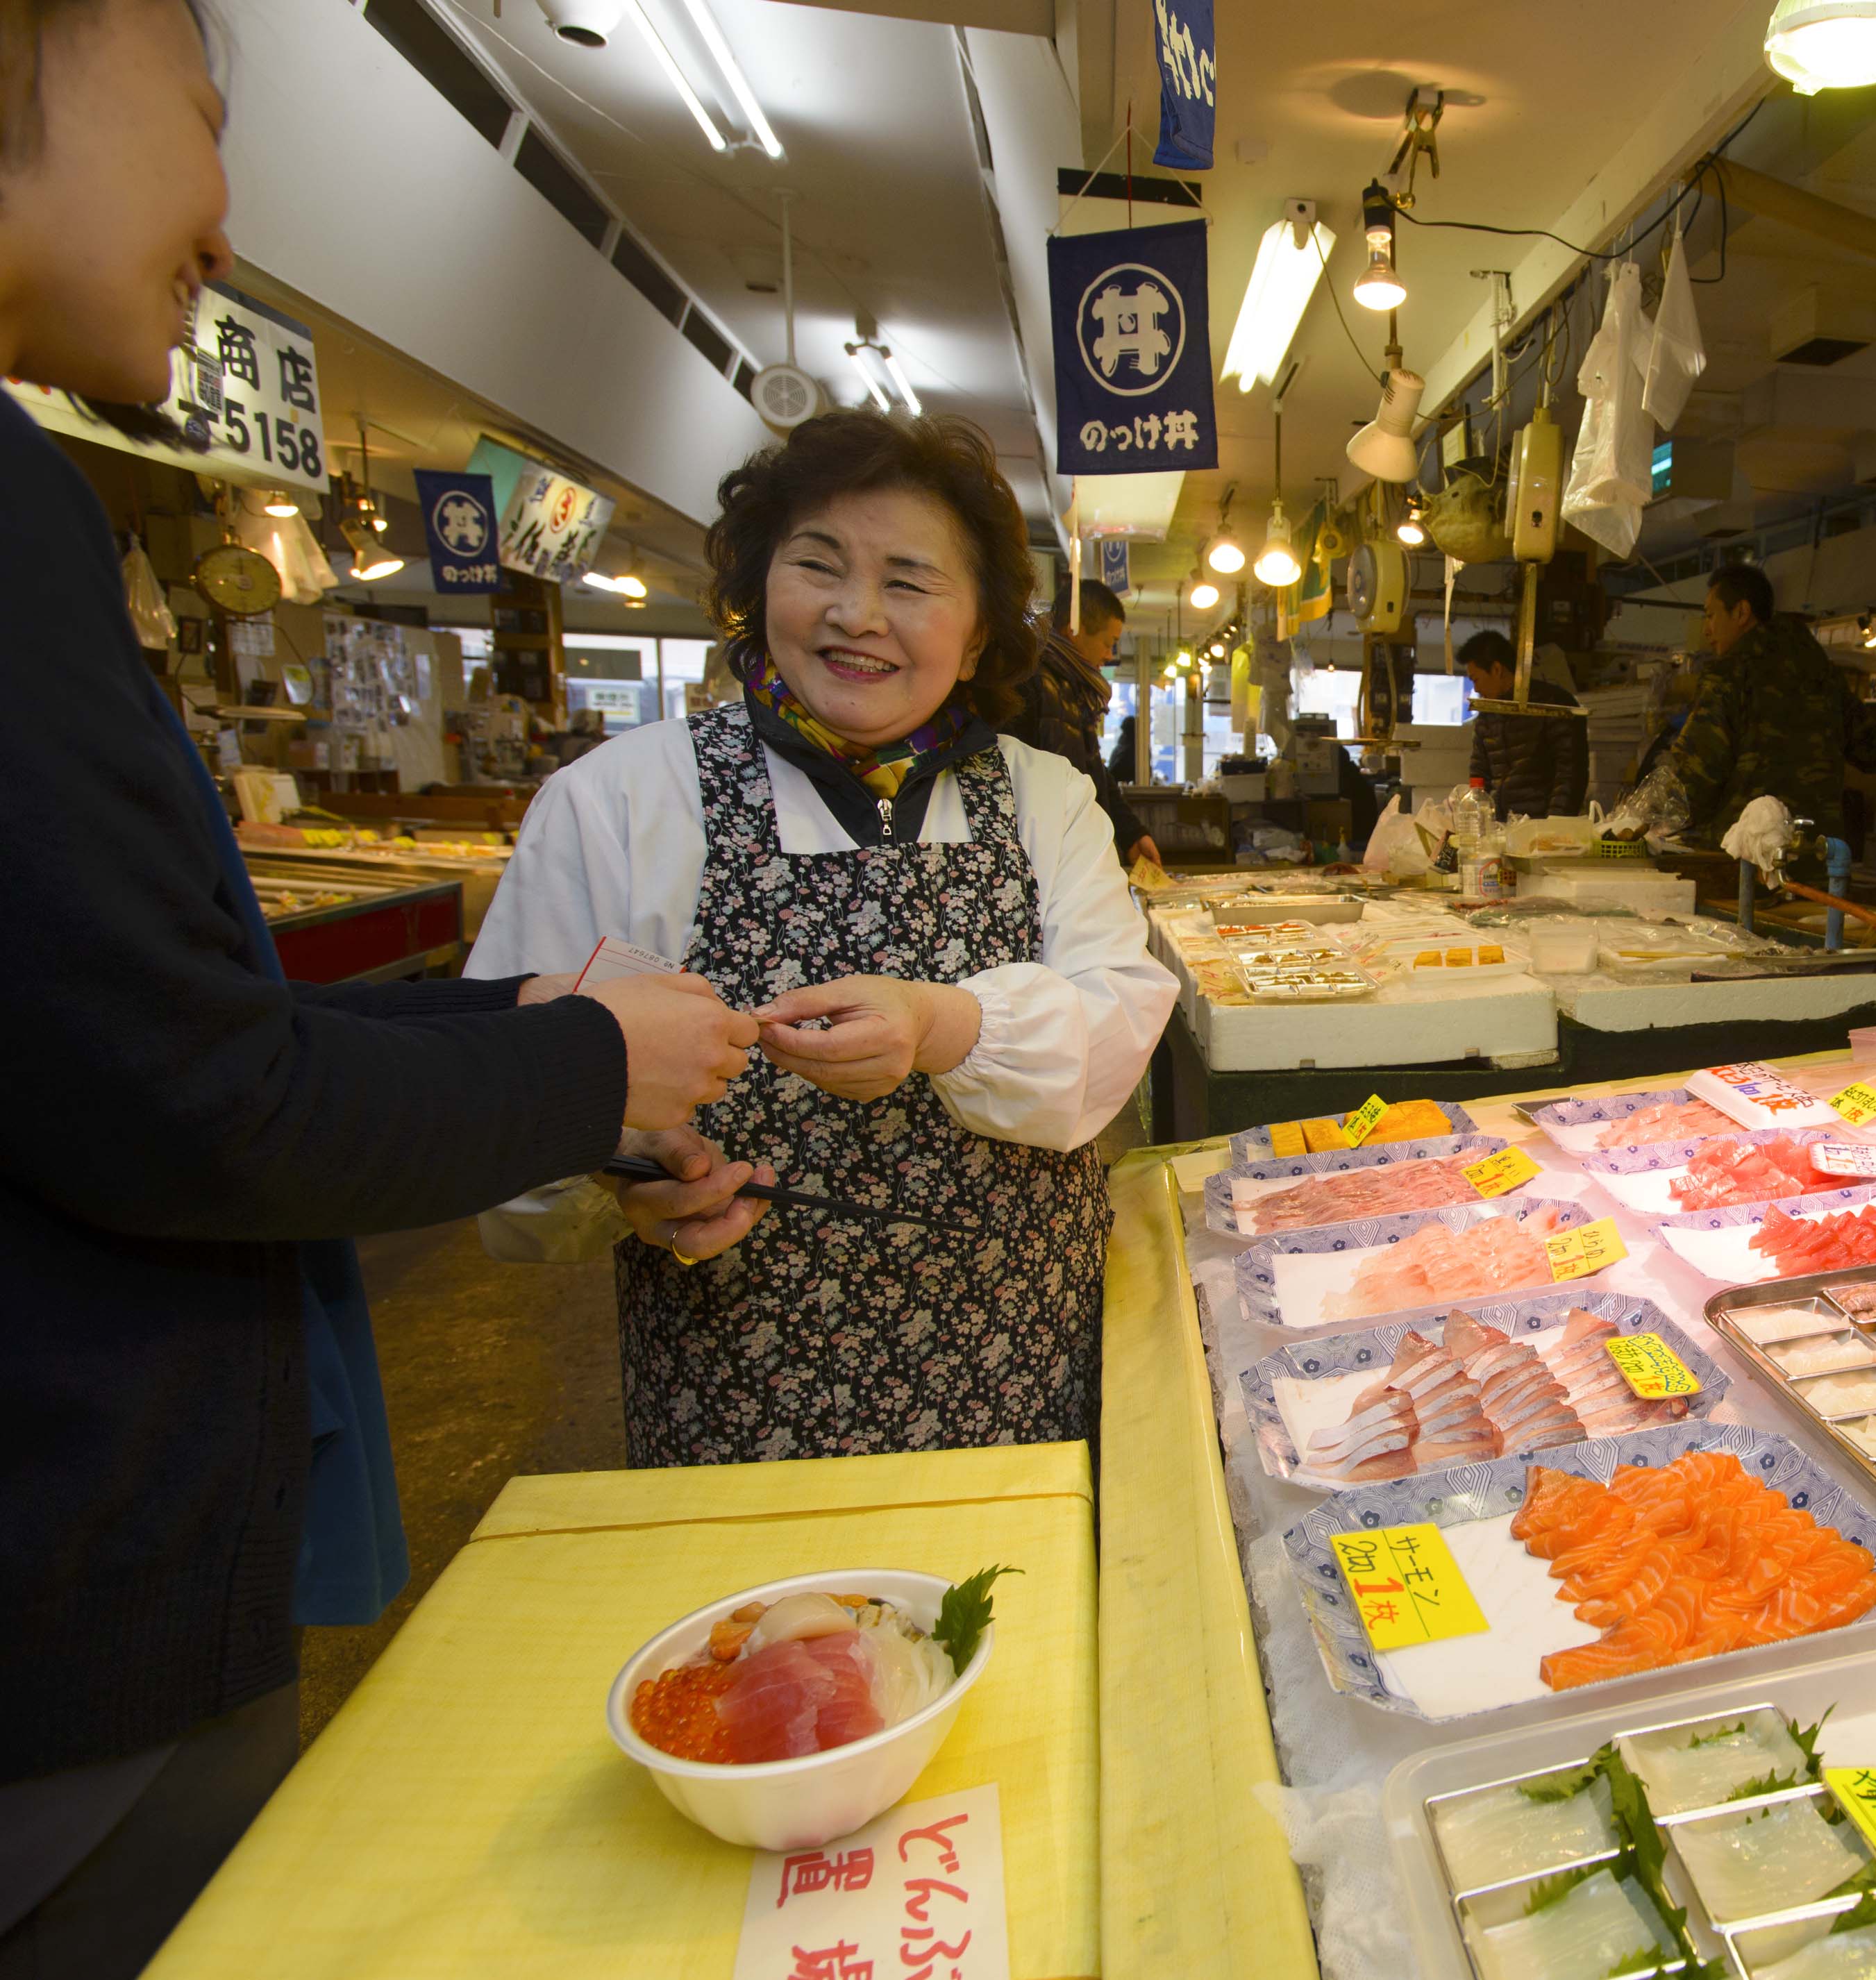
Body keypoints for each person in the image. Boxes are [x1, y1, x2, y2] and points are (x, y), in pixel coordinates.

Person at [0, 0, 760, 1961]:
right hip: (60, 1607)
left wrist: (519, 1033)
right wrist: (590, 1061)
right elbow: (196, 1101)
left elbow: (140, 1036)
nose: (226, 220)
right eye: (201, 113)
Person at [469, 410, 1177, 1465]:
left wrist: (945, 1024)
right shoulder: (619, 800)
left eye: (908, 580)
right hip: (738, 1378)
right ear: (760, 590)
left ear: (978, 628)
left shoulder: (1046, 798)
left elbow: (1118, 1023)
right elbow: (498, 1111)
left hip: (1021, 1358)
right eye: (819, 565)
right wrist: (624, 1176)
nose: (858, 616)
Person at [1663, 562, 1848, 859]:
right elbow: (1875, 749)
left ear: (1741, 612)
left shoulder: (1729, 674)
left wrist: (1654, 823)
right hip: (1819, 855)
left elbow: (1697, 778)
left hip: (1747, 858)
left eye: (1711, 616)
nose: (1708, 630)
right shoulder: (1826, 676)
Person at [1025, 577, 1160, 871]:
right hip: (1049, 865)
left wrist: (1132, 834)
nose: (1109, 655)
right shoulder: (1033, 683)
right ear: (1076, 629)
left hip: (1074, 858)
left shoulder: (1073, 689)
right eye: (1108, 643)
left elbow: (1093, 771)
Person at [1455, 628, 1586, 820]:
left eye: (1476, 679)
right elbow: (1479, 775)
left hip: (1543, 827)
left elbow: (1570, 773)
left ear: (1497, 669)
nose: (1476, 688)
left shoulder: (1554, 705)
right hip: (1503, 828)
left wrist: (1555, 825)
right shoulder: (1487, 715)